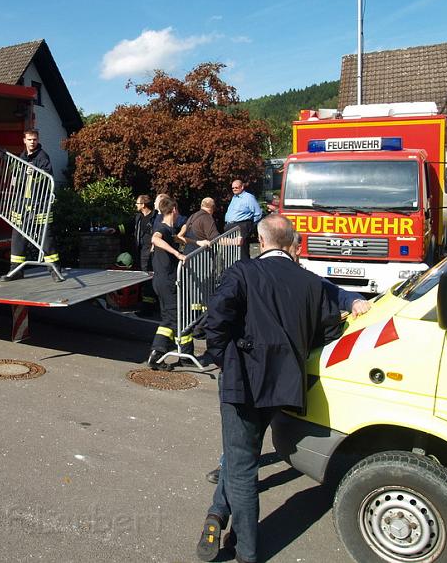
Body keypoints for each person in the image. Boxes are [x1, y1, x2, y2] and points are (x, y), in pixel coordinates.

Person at [193, 214, 343, 563]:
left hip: (243, 382)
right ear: (291, 242)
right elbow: (328, 331)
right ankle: (217, 514)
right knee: (240, 452)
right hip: (284, 385)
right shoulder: (311, 283)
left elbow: (215, 321)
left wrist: (223, 357)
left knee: (242, 462)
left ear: (261, 241)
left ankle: (246, 549)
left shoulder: (243, 272)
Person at [203, 230, 370, 488]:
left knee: (247, 430)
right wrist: (223, 355)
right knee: (243, 432)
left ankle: (234, 479)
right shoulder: (254, 271)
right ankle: (233, 475)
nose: (299, 253)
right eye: (297, 248)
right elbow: (219, 316)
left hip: (263, 368)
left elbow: (331, 291)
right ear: (289, 246)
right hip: (258, 366)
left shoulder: (301, 277)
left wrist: (354, 299)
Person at [2, 129, 64, 282]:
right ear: (24, 140)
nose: (32, 142)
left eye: (34, 139)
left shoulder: (43, 157)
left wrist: (35, 173)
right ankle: (16, 270)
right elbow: (16, 176)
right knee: (18, 238)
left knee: (46, 239)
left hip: (39, 205)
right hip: (22, 205)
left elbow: (46, 177)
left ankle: (55, 270)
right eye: (29, 139)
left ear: (38, 140)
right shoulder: (22, 157)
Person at [147, 196, 190, 370]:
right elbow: (155, 239)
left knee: (170, 316)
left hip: (163, 280)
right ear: (173, 211)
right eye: (177, 211)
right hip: (166, 281)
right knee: (172, 317)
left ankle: (186, 353)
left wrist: (198, 242)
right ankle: (156, 355)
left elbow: (179, 239)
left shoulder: (169, 230)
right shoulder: (162, 228)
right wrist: (177, 254)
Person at [224, 180, 262, 261]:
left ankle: (245, 269)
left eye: (236, 187)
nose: (234, 189)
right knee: (230, 251)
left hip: (241, 226)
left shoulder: (248, 197)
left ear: (242, 187)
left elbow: (258, 213)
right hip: (230, 226)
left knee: (241, 251)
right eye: (233, 188)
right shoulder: (234, 198)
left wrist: (248, 225)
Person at [134, 194, 158, 315]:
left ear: (143, 205)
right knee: (145, 277)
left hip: (152, 251)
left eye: (137, 203)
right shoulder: (138, 217)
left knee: (148, 278)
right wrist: (115, 229)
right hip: (142, 251)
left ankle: (147, 308)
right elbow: (128, 227)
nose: (136, 205)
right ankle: (149, 304)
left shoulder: (155, 217)